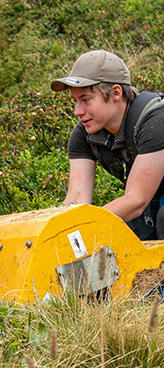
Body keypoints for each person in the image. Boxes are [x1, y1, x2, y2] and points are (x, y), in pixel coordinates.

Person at [52, 50, 164, 240]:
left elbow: (136, 201)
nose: (77, 111)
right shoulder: (84, 135)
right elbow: (76, 202)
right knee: (127, 230)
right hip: (156, 197)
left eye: (86, 100)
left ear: (115, 93)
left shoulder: (156, 120)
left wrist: (85, 227)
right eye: (75, 101)